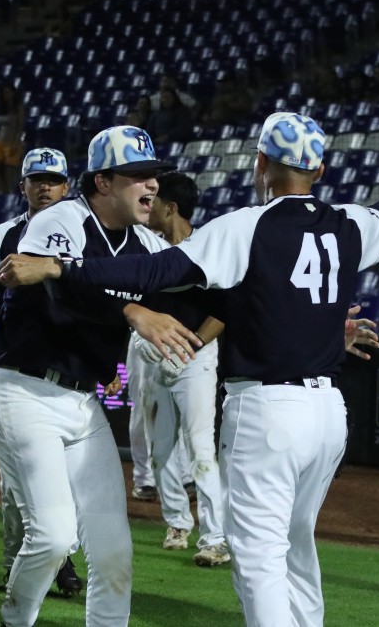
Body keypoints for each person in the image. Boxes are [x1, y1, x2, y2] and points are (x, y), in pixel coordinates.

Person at [0, 115, 379, 627]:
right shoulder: (351, 222)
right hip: (328, 411)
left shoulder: (247, 225)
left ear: (262, 164)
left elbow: (158, 274)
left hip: (270, 410)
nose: (152, 183)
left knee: (260, 559)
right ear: (320, 167)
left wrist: (62, 267)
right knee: (295, 550)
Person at [0, 125, 192, 627]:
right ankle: (15, 619)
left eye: (154, 176)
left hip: (81, 402)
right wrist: (131, 311)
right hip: (22, 390)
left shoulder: (144, 243)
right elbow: (58, 297)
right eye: (138, 176)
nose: (153, 186)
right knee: (53, 536)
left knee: (114, 549)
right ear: (102, 182)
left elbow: (193, 291)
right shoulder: (62, 218)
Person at [0, 147, 83, 595]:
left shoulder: (87, 234)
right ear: (22, 186)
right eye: (37, 179)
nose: (45, 187)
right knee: (18, 484)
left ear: (67, 187)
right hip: (17, 376)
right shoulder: (1, 237)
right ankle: (22, 564)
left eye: (53, 180)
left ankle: (57, 554)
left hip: (72, 375)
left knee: (67, 480)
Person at [131, 171, 229, 567]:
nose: (147, 205)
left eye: (154, 200)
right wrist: (141, 338)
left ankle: (216, 537)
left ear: (170, 208)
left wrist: (189, 348)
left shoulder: (209, 248)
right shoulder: (145, 247)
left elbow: (223, 312)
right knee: (160, 446)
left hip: (196, 359)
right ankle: (176, 521)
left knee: (200, 446)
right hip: (154, 356)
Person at [0, 85, 25, 192]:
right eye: (4, 93)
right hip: (0, 142)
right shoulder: (1, 108)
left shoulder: (18, 108)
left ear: (13, 93)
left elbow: (20, 127)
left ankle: (9, 194)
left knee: (9, 173)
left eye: (8, 93)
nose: (6, 96)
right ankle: (1, 190)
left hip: (12, 142)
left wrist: (16, 142)